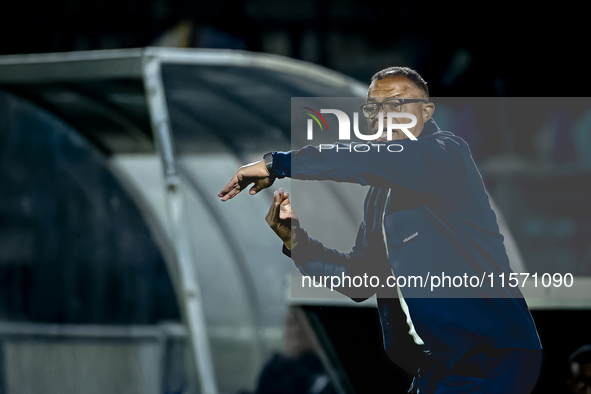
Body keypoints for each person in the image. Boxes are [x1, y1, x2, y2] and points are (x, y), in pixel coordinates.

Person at [219, 67, 542, 393]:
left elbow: (365, 160)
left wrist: (279, 163)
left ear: (426, 112)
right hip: (438, 365)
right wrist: (296, 242)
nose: (384, 116)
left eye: (397, 104)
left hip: (491, 357)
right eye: (374, 107)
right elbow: (360, 279)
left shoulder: (447, 154)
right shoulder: (379, 196)